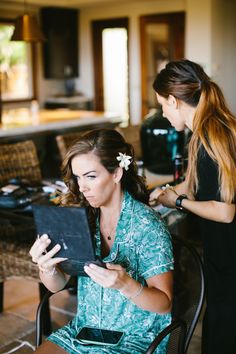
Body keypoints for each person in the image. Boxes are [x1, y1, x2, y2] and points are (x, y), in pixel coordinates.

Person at [30, 129, 174, 354]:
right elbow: (57, 285)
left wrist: (126, 284)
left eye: (90, 176)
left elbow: (164, 304)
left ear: (116, 173)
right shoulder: (81, 216)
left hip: (135, 339)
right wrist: (46, 268)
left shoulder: (147, 226)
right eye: (77, 177)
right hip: (84, 332)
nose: (81, 187)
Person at [150, 59, 236, 354]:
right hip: (221, 250)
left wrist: (178, 202)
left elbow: (225, 212)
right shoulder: (209, 128)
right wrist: (165, 193)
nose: (162, 112)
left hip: (230, 250)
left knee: (224, 330)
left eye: (162, 104)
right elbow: (192, 182)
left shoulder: (211, 136)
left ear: (174, 100)